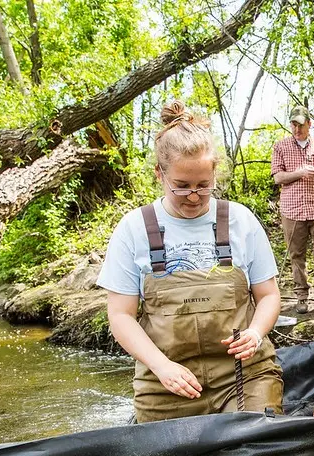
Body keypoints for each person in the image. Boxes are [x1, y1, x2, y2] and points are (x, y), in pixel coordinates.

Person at [97, 102, 283, 423]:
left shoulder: (239, 220)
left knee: (257, 443)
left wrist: (255, 333)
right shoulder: (134, 228)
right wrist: (161, 366)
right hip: (165, 383)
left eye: (203, 185)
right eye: (181, 186)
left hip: (243, 375)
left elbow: (268, 295)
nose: (195, 196)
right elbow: (121, 316)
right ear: (160, 174)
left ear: (214, 173)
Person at [271, 105, 314, 314]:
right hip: (292, 209)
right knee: (296, 254)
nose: (297, 128)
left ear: (309, 124)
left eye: (301, 124)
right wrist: (300, 172)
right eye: (293, 124)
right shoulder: (280, 147)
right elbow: (278, 177)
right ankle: (301, 295)